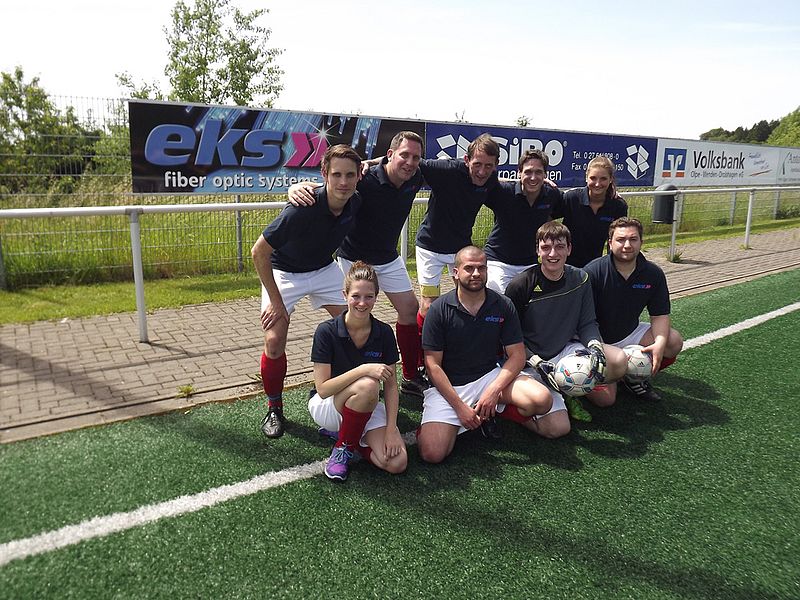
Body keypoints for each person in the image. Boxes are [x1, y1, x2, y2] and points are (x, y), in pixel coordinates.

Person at [287, 132, 428, 398]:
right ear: (390, 155)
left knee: (410, 311)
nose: (410, 162)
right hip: (354, 259)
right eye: (404, 155)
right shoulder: (365, 178)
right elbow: (333, 184)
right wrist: (296, 187)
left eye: (415, 157)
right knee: (349, 320)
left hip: (388, 258)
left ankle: (410, 377)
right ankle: (338, 379)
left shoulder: (416, 175)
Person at [251, 144, 362, 439]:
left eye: (350, 175)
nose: (343, 182)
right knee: (274, 340)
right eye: (336, 174)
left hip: (324, 269)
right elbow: (259, 252)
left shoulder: (355, 200)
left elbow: (375, 164)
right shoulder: (302, 208)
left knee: (355, 327)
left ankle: (331, 389)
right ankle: (274, 408)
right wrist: (276, 302)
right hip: (284, 272)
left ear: (358, 176)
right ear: (324, 174)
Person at [417, 246, 553, 463]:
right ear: (455, 272)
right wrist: (460, 408)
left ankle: (490, 412)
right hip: (450, 386)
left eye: (481, 268)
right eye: (469, 268)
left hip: (489, 377)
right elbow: (433, 365)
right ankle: (463, 419)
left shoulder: (502, 304)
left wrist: (493, 391)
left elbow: (517, 356)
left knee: (542, 400)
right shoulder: (438, 309)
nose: (476, 273)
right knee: (432, 454)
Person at [505, 221, 627, 432]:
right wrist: (535, 361)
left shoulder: (580, 278)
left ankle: (568, 390)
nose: (553, 254)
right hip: (531, 361)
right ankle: (508, 409)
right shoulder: (520, 285)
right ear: (537, 250)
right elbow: (509, 337)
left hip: (564, 352)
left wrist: (595, 346)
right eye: (546, 247)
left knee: (616, 365)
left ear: (569, 249)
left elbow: (587, 322)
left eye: (560, 246)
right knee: (558, 429)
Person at [309, 261, 408, 481]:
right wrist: (363, 369)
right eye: (355, 296)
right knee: (368, 384)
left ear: (376, 297)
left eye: (369, 296)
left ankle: (352, 436)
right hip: (328, 406)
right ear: (344, 295)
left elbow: (391, 386)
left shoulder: (384, 332)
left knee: (397, 463)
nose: (362, 303)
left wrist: (391, 429)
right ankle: (342, 448)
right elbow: (323, 389)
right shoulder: (326, 331)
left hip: (367, 404)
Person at [584, 217, 684, 401]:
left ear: (641, 242)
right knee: (606, 400)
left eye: (633, 239)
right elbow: (583, 320)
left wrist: (659, 344)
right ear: (610, 243)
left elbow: (659, 315)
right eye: (621, 240)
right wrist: (600, 349)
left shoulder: (653, 274)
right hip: (597, 339)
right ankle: (596, 376)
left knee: (672, 341)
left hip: (628, 333)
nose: (627, 245)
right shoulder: (593, 272)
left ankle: (632, 378)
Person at [484, 149, 561, 293]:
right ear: (519, 173)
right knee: (500, 299)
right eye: (528, 172)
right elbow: (482, 181)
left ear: (545, 174)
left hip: (530, 263)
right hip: (498, 261)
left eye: (538, 172)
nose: (533, 177)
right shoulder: (503, 192)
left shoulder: (552, 194)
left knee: (535, 301)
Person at [552, 155, 628, 268]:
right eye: (593, 178)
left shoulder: (618, 206)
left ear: (611, 179)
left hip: (595, 267)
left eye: (603, 179)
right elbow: (546, 217)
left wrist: (613, 267)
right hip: (565, 265)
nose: (597, 184)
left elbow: (616, 239)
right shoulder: (572, 198)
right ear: (586, 177)